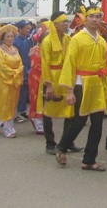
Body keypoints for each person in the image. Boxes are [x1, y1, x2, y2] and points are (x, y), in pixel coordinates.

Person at [55, 6, 107, 171]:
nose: (94, 19)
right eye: (91, 16)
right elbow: (69, 63)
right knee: (79, 120)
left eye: (97, 16)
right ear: (85, 19)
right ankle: (62, 147)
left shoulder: (101, 40)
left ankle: (89, 159)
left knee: (98, 123)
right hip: (81, 82)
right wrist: (70, 91)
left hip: (97, 83)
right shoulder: (77, 39)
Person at [39, 12, 79, 155]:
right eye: (63, 21)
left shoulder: (68, 39)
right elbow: (45, 64)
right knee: (48, 111)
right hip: (51, 77)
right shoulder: (47, 41)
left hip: (66, 77)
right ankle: (50, 142)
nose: (66, 24)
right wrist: (48, 84)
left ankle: (67, 141)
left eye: (66, 21)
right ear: (55, 24)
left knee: (70, 109)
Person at [0, 25, 24, 138]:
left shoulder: (15, 49)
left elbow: (20, 63)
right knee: (5, 103)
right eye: (8, 36)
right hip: (4, 80)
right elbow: (1, 66)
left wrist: (18, 71)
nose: (10, 38)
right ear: (3, 38)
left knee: (12, 103)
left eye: (12, 36)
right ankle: (8, 129)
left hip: (15, 80)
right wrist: (14, 72)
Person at [13, 20, 33, 122]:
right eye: (26, 28)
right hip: (20, 70)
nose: (29, 30)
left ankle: (23, 111)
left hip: (28, 69)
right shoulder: (15, 42)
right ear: (20, 29)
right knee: (19, 94)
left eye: (29, 28)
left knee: (26, 93)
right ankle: (16, 114)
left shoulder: (28, 40)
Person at [28, 26, 45, 134]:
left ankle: (40, 122)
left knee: (43, 101)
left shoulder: (46, 48)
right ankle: (37, 122)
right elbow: (36, 66)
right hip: (36, 78)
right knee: (36, 100)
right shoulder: (35, 50)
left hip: (44, 77)